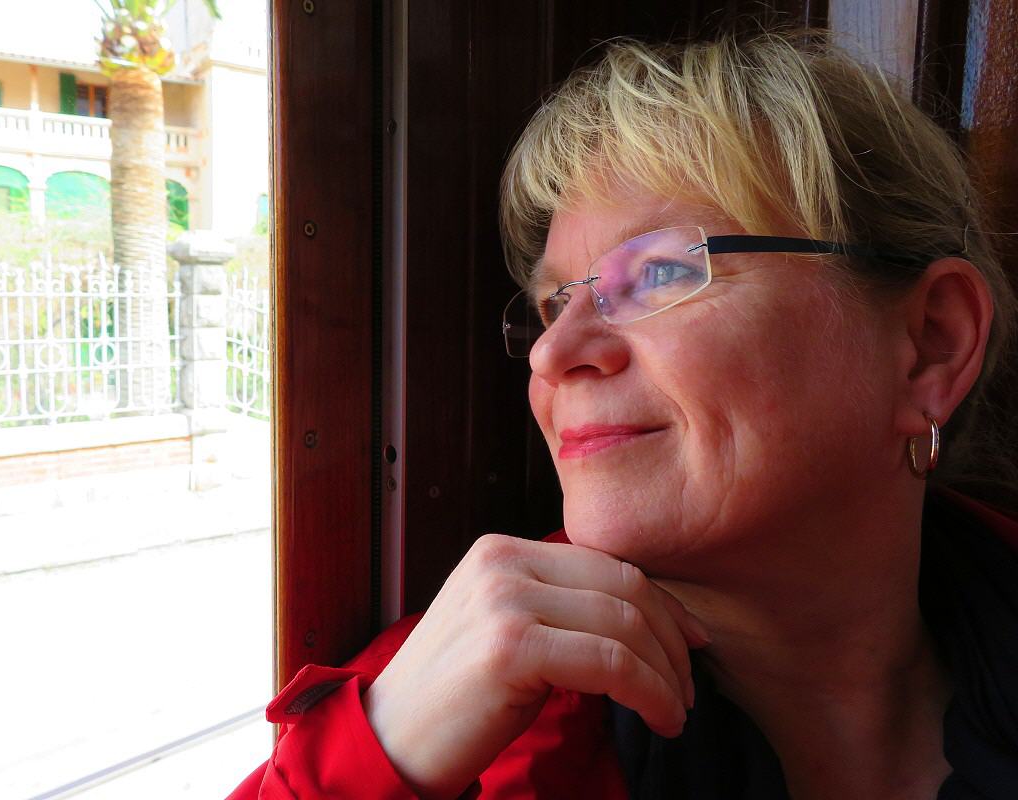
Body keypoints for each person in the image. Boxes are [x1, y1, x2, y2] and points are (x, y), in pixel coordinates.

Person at [231, 30, 1018, 799]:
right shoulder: (426, 724)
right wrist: (376, 766)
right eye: (553, 304)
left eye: (662, 272)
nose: (551, 353)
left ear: (931, 345)